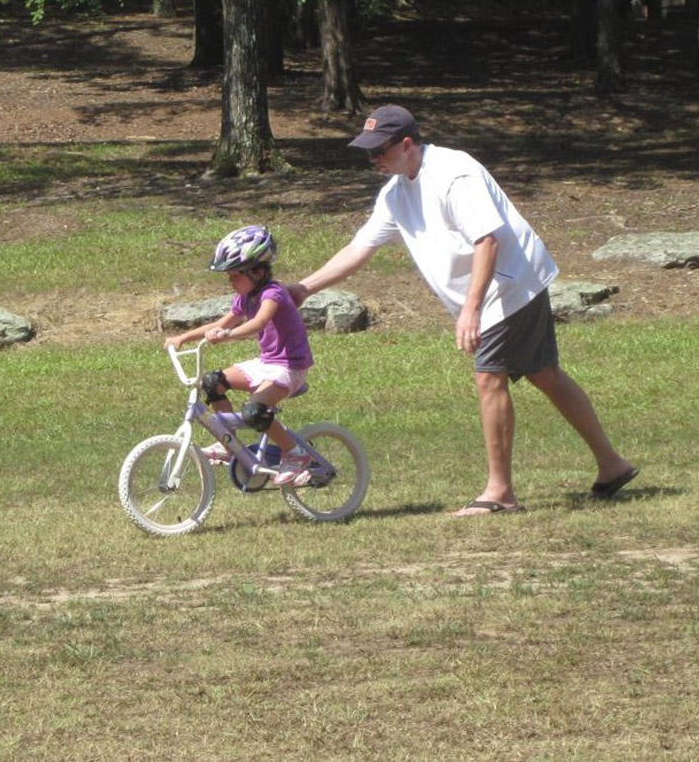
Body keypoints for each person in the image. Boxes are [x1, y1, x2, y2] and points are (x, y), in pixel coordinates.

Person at [291, 105, 637, 515]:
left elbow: (487, 240)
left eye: (379, 150)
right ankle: (612, 464)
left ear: (407, 143)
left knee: (489, 378)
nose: (373, 159)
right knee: (544, 373)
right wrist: (303, 288)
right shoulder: (396, 194)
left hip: (507, 284)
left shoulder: (454, 173)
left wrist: (471, 310)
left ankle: (500, 493)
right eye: (368, 153)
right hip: (498, 289)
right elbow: (359, 249)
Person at [165, 224, 316, 487]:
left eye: (235, 275)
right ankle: (229, 444)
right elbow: (219, 324)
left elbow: (258, 322)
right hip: (266, 363)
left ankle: (295, 453)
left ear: (257, 272)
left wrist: (227, 335)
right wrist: (182, 338)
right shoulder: (245, 298)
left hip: (289, 368)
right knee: (213, 382)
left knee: (254, 412)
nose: (231, 282)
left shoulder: (273, 293)